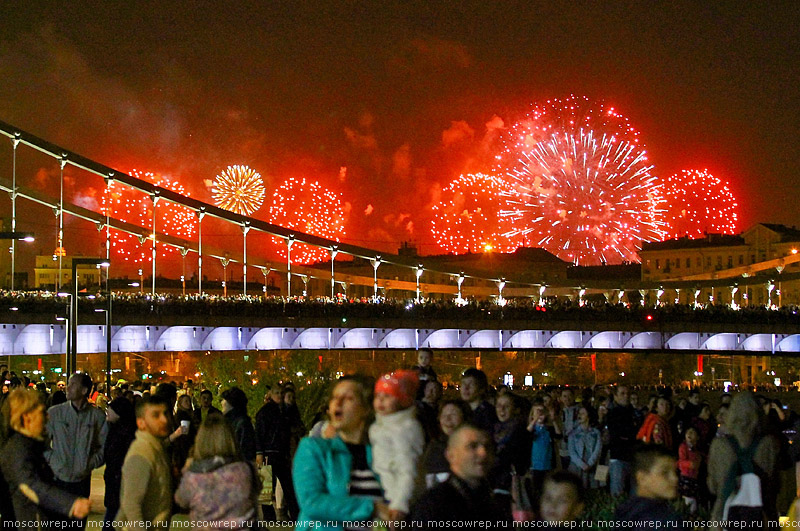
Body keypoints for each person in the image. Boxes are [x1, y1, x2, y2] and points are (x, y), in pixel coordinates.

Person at [293, 375, 390, 531]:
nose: (338, 402)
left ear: (366, 408)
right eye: (335, 397)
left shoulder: (380, 454)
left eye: (348, 398)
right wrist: (372, 508)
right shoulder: (314, 449)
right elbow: (311, 502)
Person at [0, 388, 92, 525]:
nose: (47, 416)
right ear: (27, 417)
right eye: (42, 412)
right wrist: (70, 504)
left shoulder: (27, 447)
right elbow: (31, 485)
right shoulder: (18, 450)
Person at [409, 424, 507, 527]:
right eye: (472, 446)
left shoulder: (495, 501)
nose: (483, 453)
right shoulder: (434, 504)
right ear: (451, 455)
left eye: (487, 446)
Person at [175, 414, 261, 528]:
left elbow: (181, 499)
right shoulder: (246, 470)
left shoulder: (193, 476)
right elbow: (257, 490)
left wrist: (187, 470)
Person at [707, 392, 781, 524]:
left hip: (725, 516)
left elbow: (713, 486)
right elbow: (775, 485)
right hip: (762, 516)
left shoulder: (719, 445)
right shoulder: (769, 444)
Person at [45, 372, 107, 528]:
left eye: (72, 384)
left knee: (77, 525)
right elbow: (41, 443)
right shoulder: (55, 413)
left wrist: (89, 463)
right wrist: (53, 461)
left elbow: (104, 447)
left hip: (82, 482)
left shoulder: (96, 416)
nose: (68, 387)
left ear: (84, 390)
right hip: (58, 480)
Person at [369, 370, 425, 521]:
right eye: (378, 396)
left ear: (402, 400)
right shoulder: (380, 426)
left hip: (397, 499)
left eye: (387, 396)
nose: (381, 401)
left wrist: (400, 504)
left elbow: (408, 470)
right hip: (384, 494)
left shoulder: (405, 429)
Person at [115, 395, 173, 531]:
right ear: (141, 423)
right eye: (156, 415)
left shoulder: (155, 448)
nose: (164, 420)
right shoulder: (141, 455)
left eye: (165, 413)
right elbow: (131, 505)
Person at [614, 445, 682, 530]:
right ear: (642, 478)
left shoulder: (624, 512)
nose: (674, 478)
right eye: (664, 473)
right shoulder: (665, 520)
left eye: (675, 472)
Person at [255, 384, 298, 521]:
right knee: (270, 487)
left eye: (281, 393)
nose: (279, 395)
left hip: (276, 452)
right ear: (271, 394)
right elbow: (260, 434)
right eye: (277, 393)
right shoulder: (267, 412)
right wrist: (259, 453)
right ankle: (271, 516)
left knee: (285, 486)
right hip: (270, 453)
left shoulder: (282, 411)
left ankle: (290, 514)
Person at [103, 397, 137, 527]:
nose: (107, 411)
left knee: (112, 519)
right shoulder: (115, 429)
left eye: (110, 409)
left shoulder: (123, 433)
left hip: (120, 482)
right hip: (115, 481)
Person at [421, 399, 472, 488]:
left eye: (453, 414)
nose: (447, 419)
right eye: (444, 415)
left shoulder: (473, 448)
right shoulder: (434, 447)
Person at [606, 385, 639, 496]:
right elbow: (617, 434)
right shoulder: (612, 413)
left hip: (633, 457)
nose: (626, 396)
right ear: (615, 396)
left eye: (627, 393)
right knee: (618, 492)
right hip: (618, 457)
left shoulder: (634, 413)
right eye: (622, 393)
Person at [567, 404, 602, 489]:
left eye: (583, 413)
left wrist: (590, 463)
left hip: (591, 465)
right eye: (579, 413)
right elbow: (572, 452)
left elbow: (598, 450)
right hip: (577, 465)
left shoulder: (596, 433)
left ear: (588, 416)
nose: (580, 415)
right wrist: (582, 464)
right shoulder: (573, 433)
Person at [221, 387, 257, 462]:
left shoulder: (241, 423)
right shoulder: (231, 421)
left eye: (224, 400)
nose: (222, 402)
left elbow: (245, 449)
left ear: (230, 403)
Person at [677, 427, 703, 514]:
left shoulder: (697, 451)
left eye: (692, 432)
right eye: (688, 432)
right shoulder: (683, 447)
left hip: (694, 479)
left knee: (693, 499)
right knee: (687, 499)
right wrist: (690, 464)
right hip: (686, 478)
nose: (689, 434)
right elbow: (680, 462)